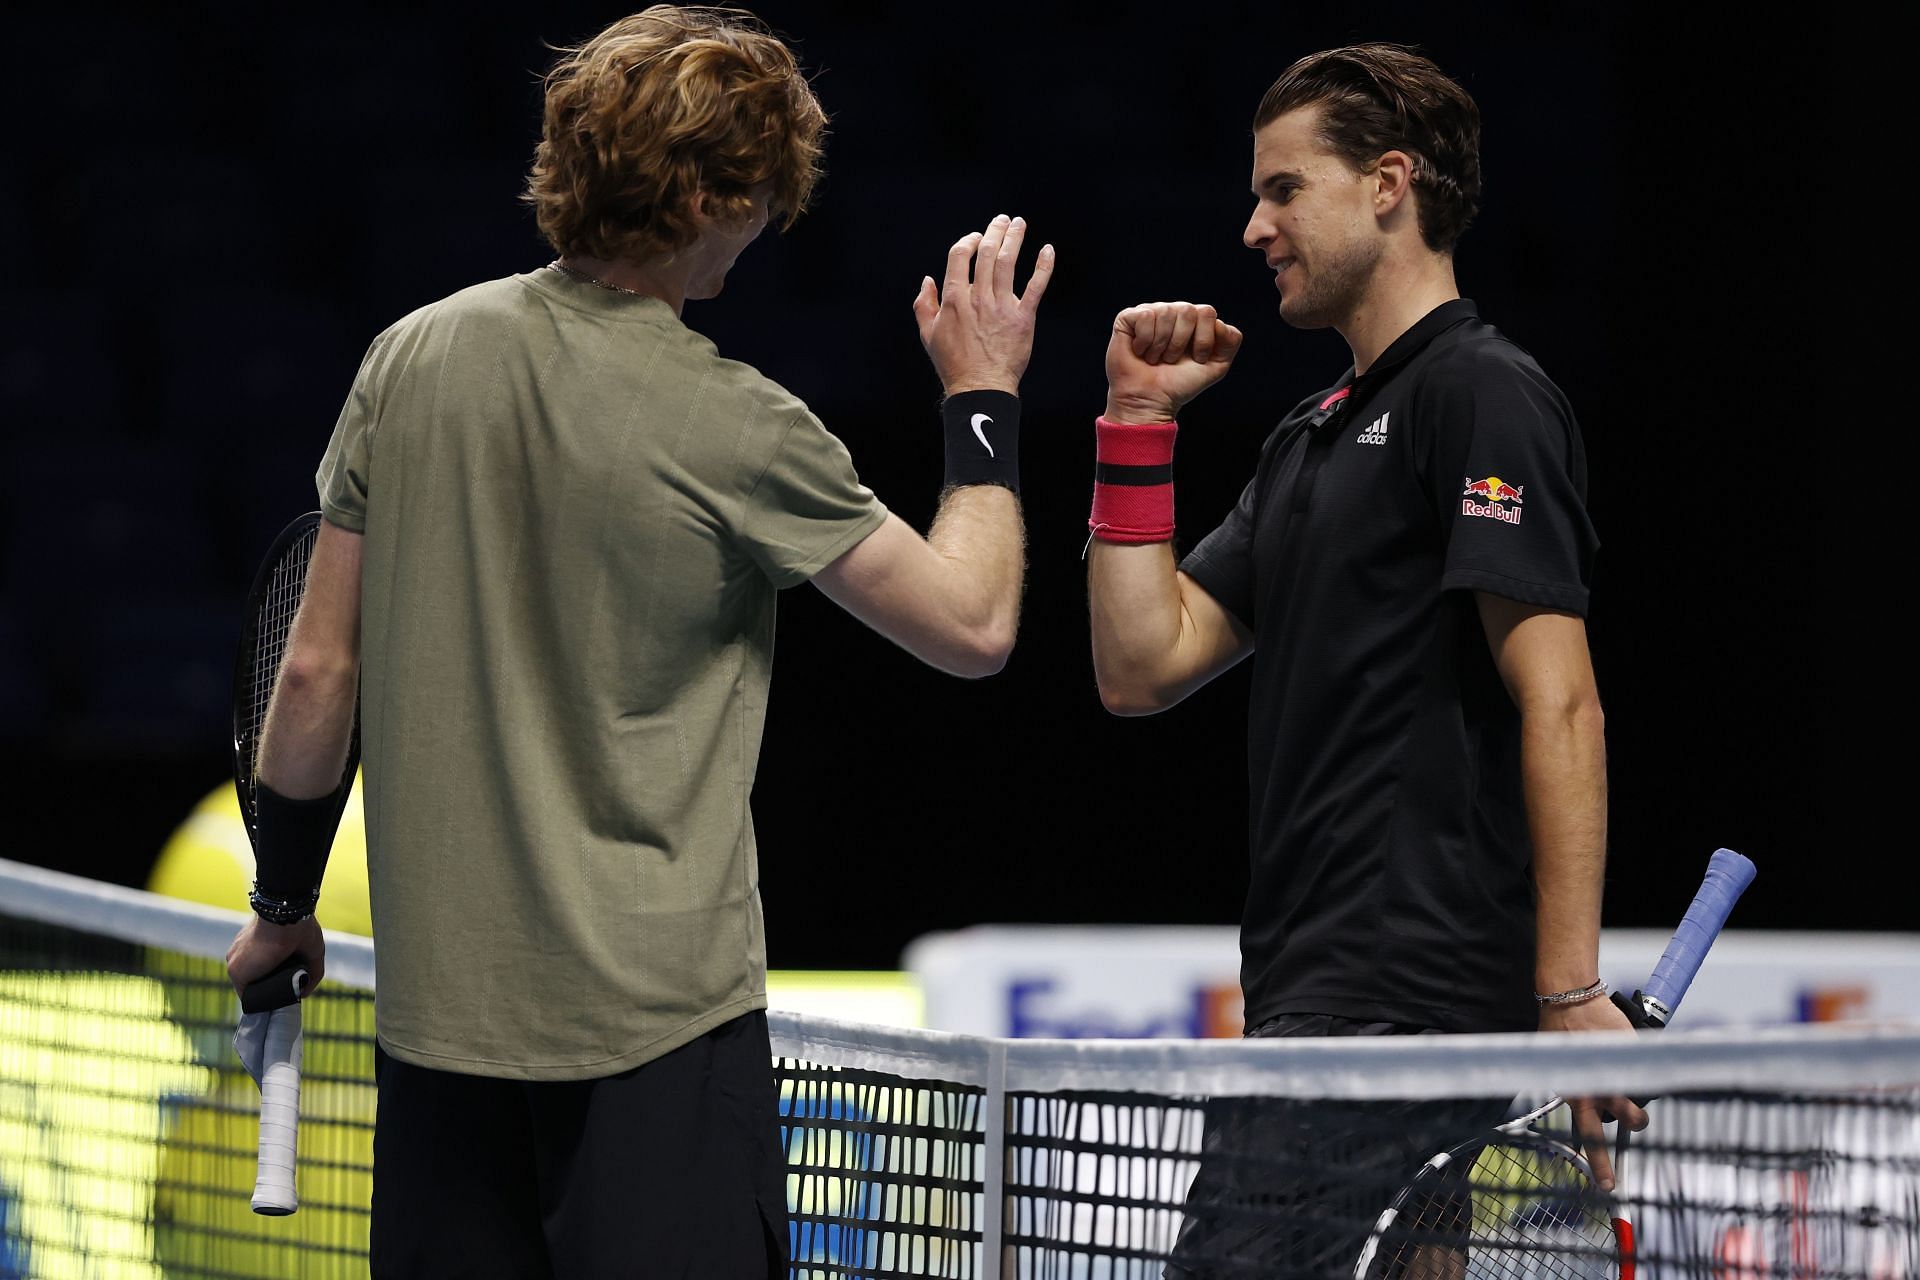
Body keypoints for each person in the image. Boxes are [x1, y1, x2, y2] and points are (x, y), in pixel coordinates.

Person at [222, 7, 1053, 1276]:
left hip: (440, 1045)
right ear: (716, 193)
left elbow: (319, 674)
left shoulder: (409, 358)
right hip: (660, 1043)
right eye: (763, 193)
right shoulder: (740, 424)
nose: (771, 223)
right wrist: (982, 398)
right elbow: (975, 624)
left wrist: (283, 901)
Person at [1081, 43, 1644, 1277]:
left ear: (1389, 183)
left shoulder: (1483, 394)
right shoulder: (1310, 438)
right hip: (1312, 996)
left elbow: (1560, 696)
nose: (1253, 227)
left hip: (1414, 1004)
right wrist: (1134, 426)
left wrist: (1566, 996)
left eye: (1284, 189)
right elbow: (1141, 661)